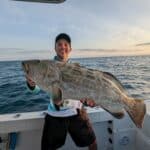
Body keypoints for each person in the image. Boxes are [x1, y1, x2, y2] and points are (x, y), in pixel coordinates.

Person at [25, 33, 98, 150]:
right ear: (55, 48)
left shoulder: (78, 68)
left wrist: (89, 101)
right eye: (59, 44)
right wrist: (31, 84)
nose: (62, 47)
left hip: (77, 112)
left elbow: (84, 90)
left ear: (70, 49)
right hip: (55, 114)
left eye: (66, 44)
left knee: (92, 142)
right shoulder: (45, 66)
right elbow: (36, 89)